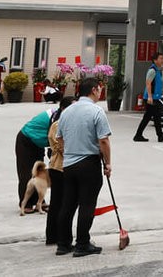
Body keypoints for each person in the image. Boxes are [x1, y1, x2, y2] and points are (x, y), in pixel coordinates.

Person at [56, 77, 112, 257]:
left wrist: (69, 152)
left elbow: (59, 138)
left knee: (68, 204)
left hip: (69, 164)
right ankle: (82, 244)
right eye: (100, 89)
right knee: (87, 204)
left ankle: (63, 244)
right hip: (88, 163)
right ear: (94, 90)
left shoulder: (66, 111)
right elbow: (103, 140)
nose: (100, 92)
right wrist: (108, 163)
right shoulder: (96, 111)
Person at [17, 98, 60, 212]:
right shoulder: (56, 118)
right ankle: (26, 204)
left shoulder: (62, 116)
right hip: (26, 139)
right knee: (26, 172)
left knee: (39, 172)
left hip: (39, 142)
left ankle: (39, 202)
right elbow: (54, 142)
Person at [45, 97, 74, 247]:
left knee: (62, 203)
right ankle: (54, 236)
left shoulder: (68, 123)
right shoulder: (58, 125)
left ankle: (56, 236)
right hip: (58, 168)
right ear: (63, 109)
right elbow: (61, 147)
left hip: (65, 167)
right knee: (59, 204)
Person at [134, 51, 163, 143]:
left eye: (162, 58)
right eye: (160, 58)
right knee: (155, 117)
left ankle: (139, 135)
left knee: (150, 117)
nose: (162, 60)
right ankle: (159, 135)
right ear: (155, 60)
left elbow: (158, 85)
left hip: (155, 97)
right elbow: (148, 83)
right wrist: (150, 97)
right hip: (151, 98)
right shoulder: (152, 70)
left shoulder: (158, 71)